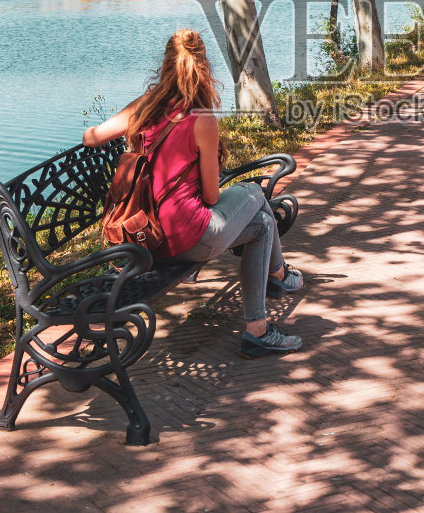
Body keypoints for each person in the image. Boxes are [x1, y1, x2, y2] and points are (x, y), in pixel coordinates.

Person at [82, 28, 304, 358]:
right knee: (255, 194)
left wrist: (129, 122)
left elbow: (90, 138)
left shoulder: (144, 106)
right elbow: (212, 198)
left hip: (146, 238)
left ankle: (260, 324)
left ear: (166, 65)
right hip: (189, 241)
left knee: (261, 225)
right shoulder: (201, 120)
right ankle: (279, 277)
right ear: (203, 69)